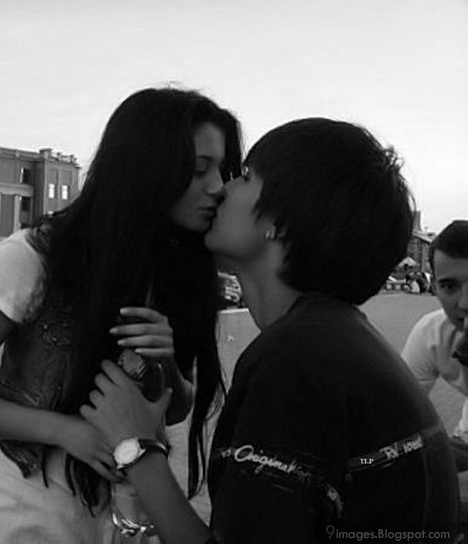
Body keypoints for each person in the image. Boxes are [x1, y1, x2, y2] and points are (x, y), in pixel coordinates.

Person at [82, 118, 459, 543]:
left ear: (279, 220)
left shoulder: (294, 363)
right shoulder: (338, 342)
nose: (222, 188)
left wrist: (135, 447)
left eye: (245, 177)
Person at [0, 87, 242, 543]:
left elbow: (176, 409)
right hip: (31, 516)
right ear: (145, 167)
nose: (217, 186)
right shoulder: (34, 257)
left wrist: (168, 367)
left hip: (130, 517)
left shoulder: (180, 272)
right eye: (198, 169)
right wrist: (64, 431)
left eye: (221, 169)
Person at [402, 220, 468, 471]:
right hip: (464, 443)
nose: (464, 303)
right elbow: (399, 414)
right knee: (375, 464)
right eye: (449, 287)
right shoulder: (432, 334)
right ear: (435, 289)